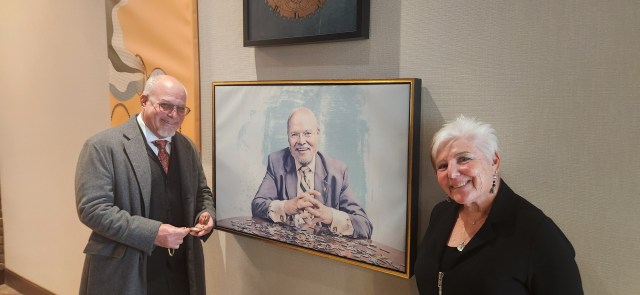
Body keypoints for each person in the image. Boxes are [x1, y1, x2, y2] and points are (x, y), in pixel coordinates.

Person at [75, 74, 215, 295]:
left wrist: (206, 214)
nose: (174, 115)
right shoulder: (102, 146)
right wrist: (153, 233)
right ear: (143, 101)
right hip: (125, 271)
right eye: (166, 106)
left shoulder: (187, 147)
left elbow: (202, 192)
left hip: (182, 271)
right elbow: (92, 210)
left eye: (181, 109)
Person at [414, 115, 583, 294]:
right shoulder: (441, 214)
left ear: (494, 161)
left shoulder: (538, 233)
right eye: (442, 166)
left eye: (463, 159)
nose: (452, 174)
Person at [251, 107, 373, 239]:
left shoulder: (338, 172)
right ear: (288, 136)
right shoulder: (276, 162)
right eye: (294, 134)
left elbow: (364, 226)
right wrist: (286, 207)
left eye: (308, 133)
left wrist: (330, 216)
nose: (301, 141)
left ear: (318, 134)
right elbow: (257, 204)